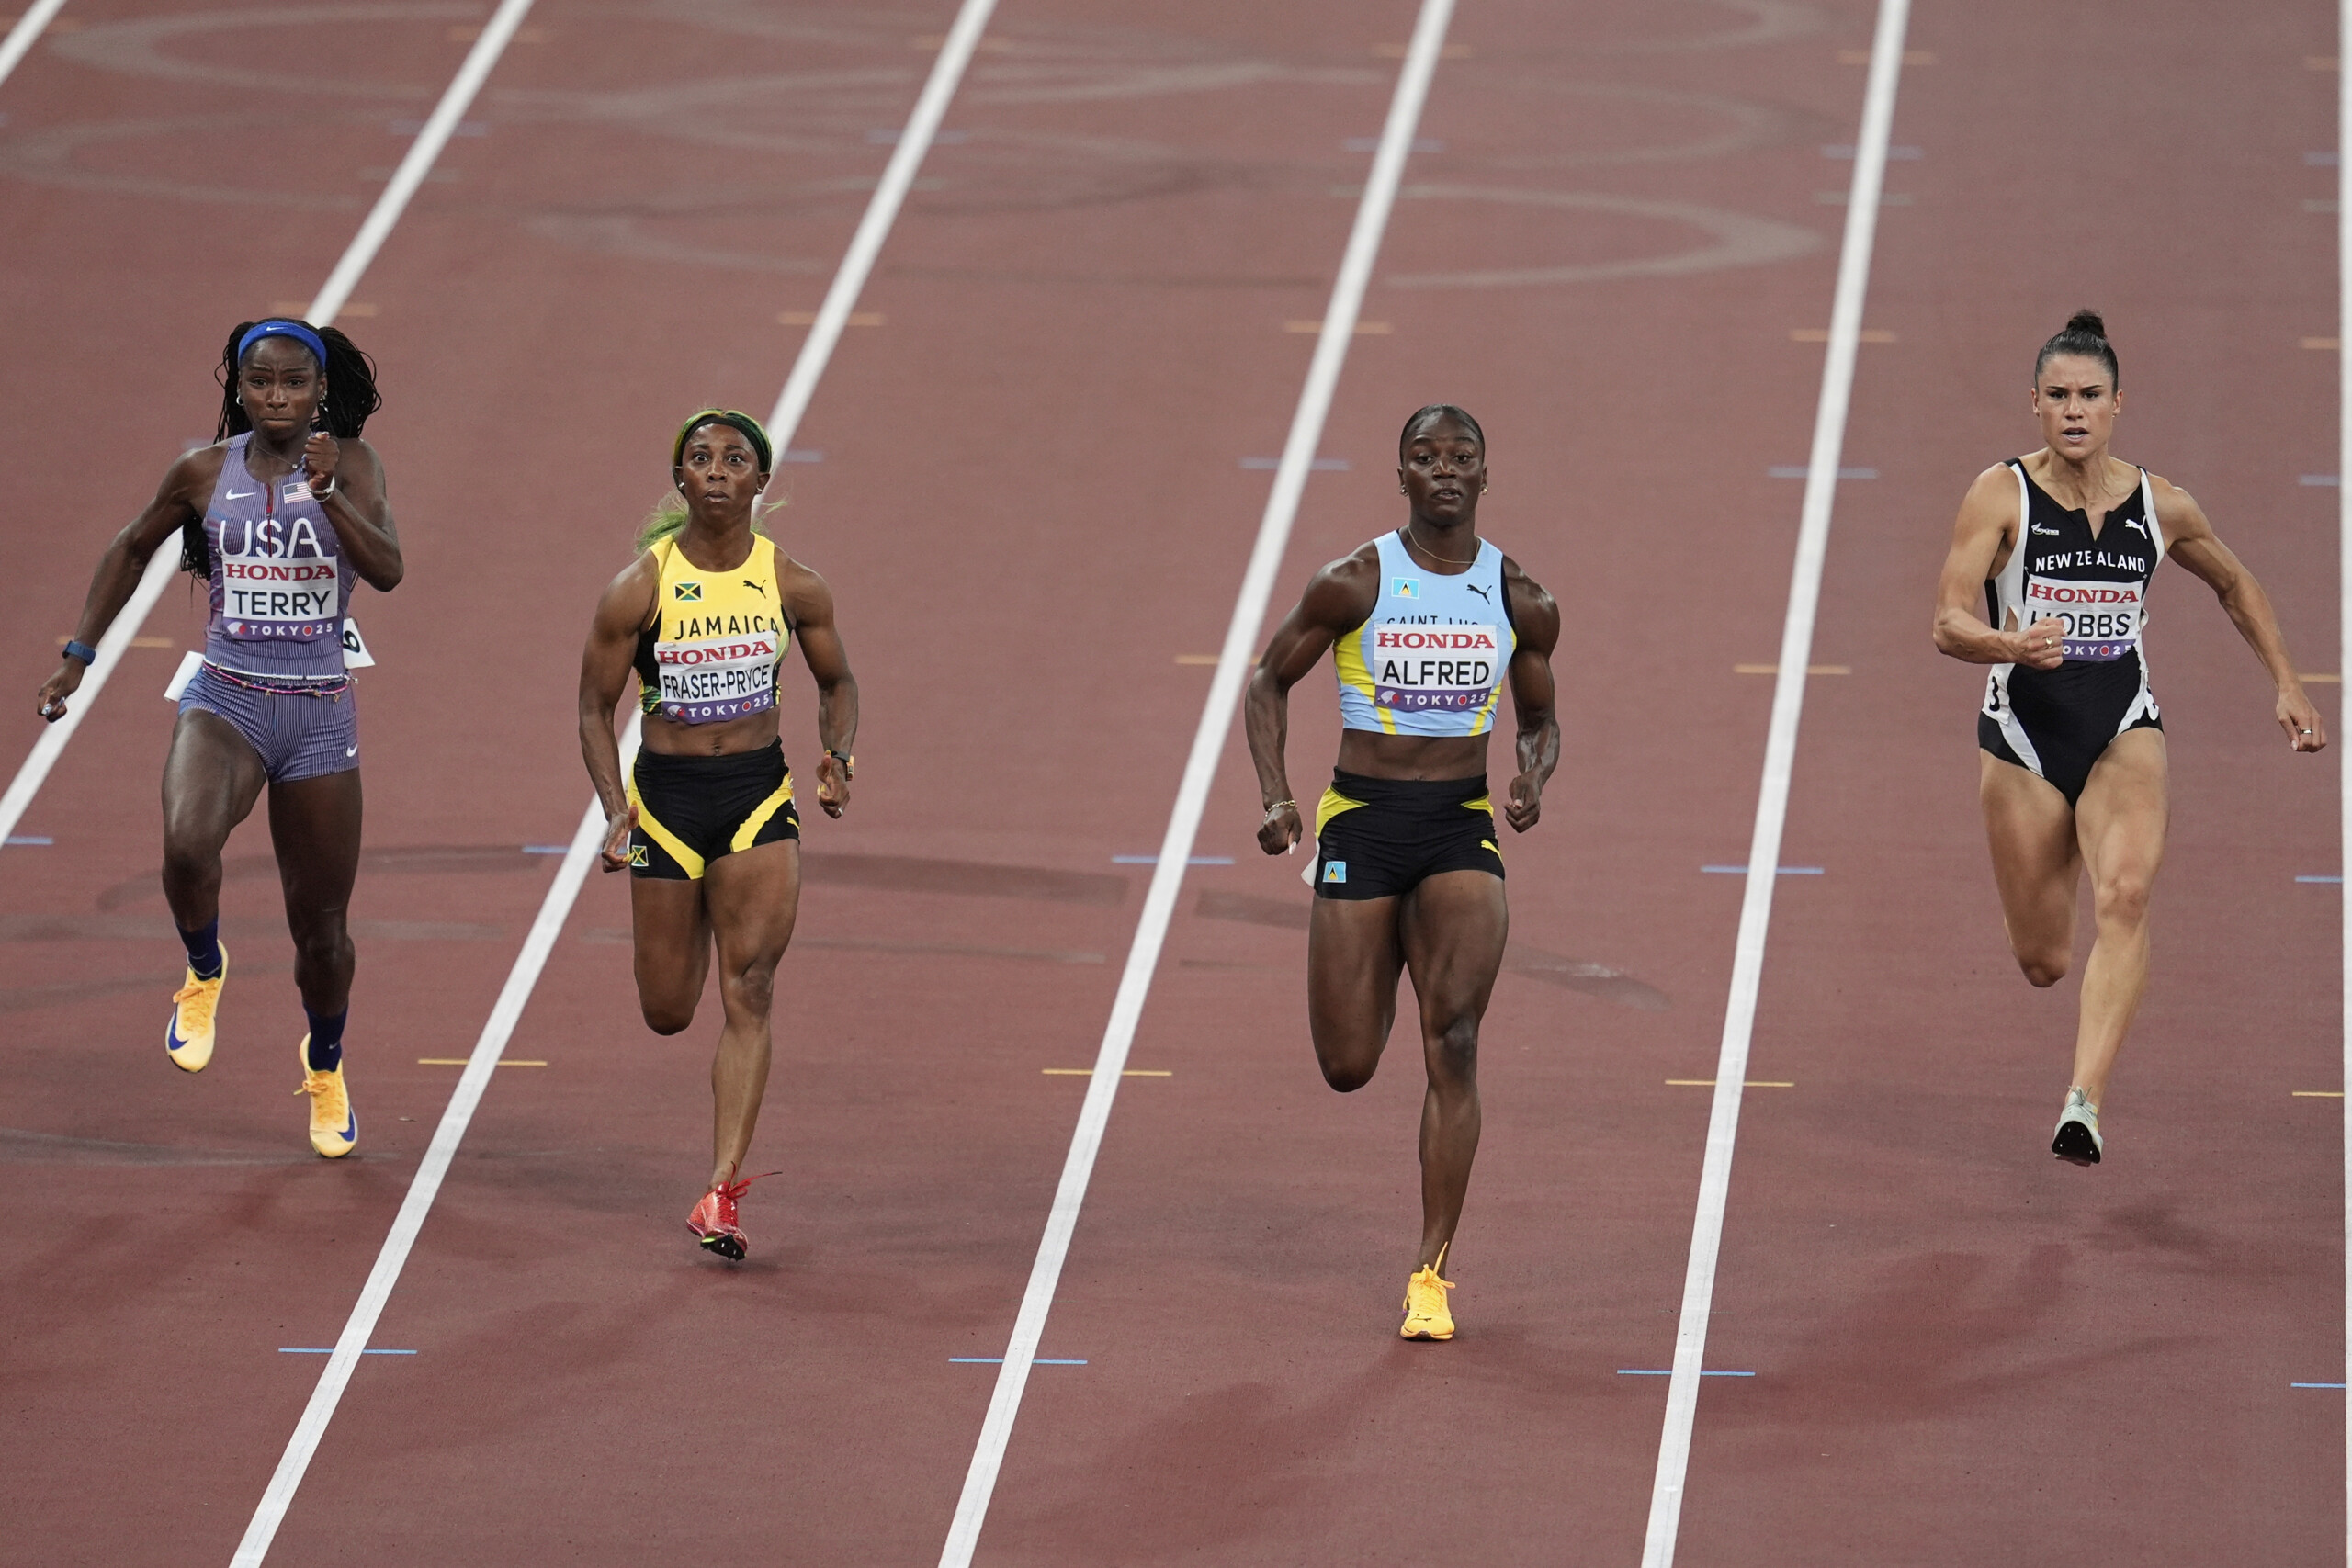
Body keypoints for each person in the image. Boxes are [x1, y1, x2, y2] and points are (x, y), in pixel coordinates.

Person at [1932, 310, 2324, 1165]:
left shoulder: (2161, 504)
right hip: (2024, 740)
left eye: (2092, 396)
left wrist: (2287, 682)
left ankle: (2084, 1104)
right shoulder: (2001, 494)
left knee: (2129, 892)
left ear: (2118, 405)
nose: (2075, 410)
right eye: (2059, 396)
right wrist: (2008, 643)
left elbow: (2235, 581)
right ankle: (2066, 841)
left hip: (2120, 725)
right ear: (2034, 404)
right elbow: (1947, 620)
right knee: (2044, 959)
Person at [35, 318, 401, 1157]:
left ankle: (326, 1062)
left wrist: (332, 493)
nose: (278, 398)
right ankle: (204, 968)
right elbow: (130, 548)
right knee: (186, 844)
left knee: (323, 933)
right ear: (239, 389)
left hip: (318, 711)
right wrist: (77, 658)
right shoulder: (205, 470)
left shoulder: (356, 464)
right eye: (261, 383)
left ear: (321, 391)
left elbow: (387, 570)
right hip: (227, 695)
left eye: (295, 384)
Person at [1245, 404, 1559, 1340]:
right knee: (1347, 1064)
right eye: (1426, 458)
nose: (1445, 471)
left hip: (1458, 826)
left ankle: (1431, 1272)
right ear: (1402, 477)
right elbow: (1268, 680)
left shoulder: (1519, 597)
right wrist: (1276, 796)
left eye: (1462, 456)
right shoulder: (1355, 581)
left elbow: (1540, 718)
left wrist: (1531, 776)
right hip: (1364, 823)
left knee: (1454, 1040)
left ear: (1485, 474)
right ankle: (1380, 949)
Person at [578, 410, 857, 1260]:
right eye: (699, 458)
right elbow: (594, 705)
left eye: (736, 458)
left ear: (760, 482)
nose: (718, 470)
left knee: (754, 988)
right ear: (681, 481)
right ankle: (692, 918)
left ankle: (721, 1192)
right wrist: (613, 803)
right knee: (668, 1009)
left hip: (756, 798)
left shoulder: (794, 584)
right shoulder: (640, 587)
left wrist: (838, 755)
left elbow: (838, 681)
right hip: (667, 804)